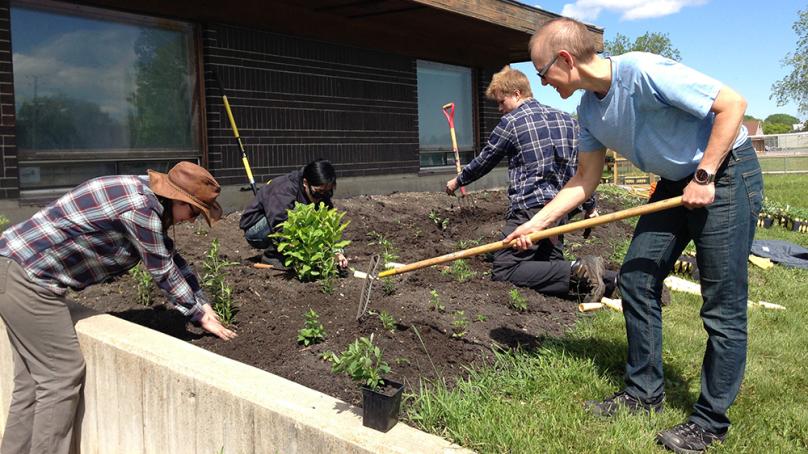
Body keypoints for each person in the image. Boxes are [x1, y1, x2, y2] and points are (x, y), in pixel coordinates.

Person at [510, 17, 762, 452]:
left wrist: (704, 175)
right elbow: (583, 180)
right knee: (636, 280)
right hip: (673, 183)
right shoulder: (588, 110)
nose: (543, 82)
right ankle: (643, 393)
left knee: (722, 305)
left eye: (542, 72)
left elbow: (733, 104)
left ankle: (709, 422)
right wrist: (536, 224)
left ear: (565, 59)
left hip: (724, 172)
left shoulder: (642, 71)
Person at [0, 161, 237, 454]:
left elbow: (169, 256)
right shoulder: (140, 210)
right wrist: (198, 314)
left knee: (32, 382)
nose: (191, 221)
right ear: (177, 199)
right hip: (27, 280)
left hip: (13, 267)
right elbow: (161, 269)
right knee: (60, 377)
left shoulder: (141, 194)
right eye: (194, 212)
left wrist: (201, 303)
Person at [445, 65, 613, 302]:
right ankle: (618, 281)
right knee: (548, 269)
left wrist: (457, 181)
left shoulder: (511, 122)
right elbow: (584, 170)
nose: (500, 110)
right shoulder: (567, 121)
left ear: (517, 93)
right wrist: (590, 206)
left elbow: (486, 159)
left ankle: (581, 269)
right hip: (559, 210)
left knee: (505, 269)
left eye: (501, 102)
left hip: (530, 210)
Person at [239, 159, 348, 270]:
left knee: (314, 215)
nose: (322, 196)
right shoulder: (284, 189)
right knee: (297, 215)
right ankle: (272, 255)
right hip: (256, 230)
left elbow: (330, 222)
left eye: (328, 192)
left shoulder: (321, 192)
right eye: (318, 191)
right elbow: (279, 222)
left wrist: (337, 251)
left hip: (277, 221)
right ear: (305, 183)